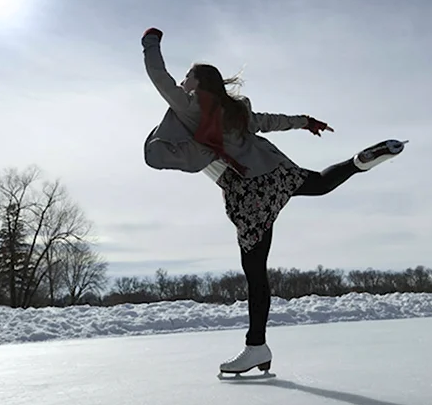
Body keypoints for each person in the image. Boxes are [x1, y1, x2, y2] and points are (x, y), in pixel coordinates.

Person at [140, 27, 406, 374]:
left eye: (188, 76)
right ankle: (357, 163)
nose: (183, 80)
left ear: (195, 82)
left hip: (249, 192)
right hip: (276, 172)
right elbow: (270, 121)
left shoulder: (190, 107)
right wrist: (305, 122)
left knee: (255, 272)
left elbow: (158, 75)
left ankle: (257, 347)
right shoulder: (236, 110)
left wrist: (151, 41)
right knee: (322, 183)